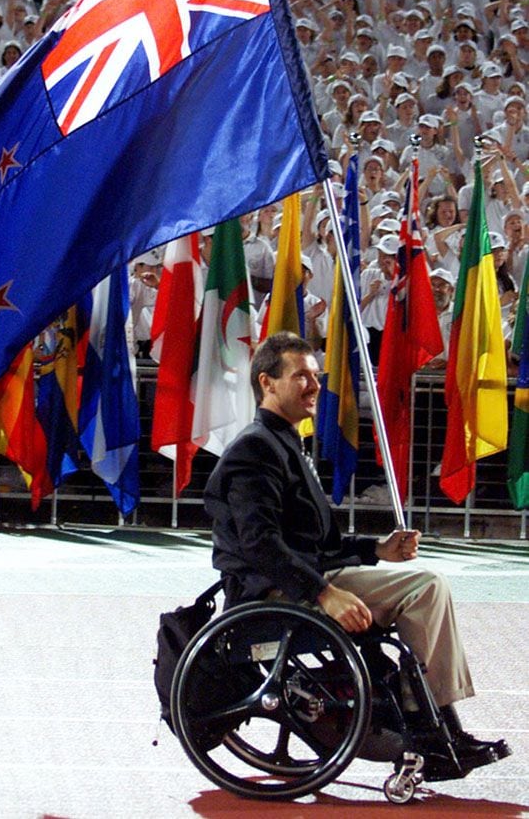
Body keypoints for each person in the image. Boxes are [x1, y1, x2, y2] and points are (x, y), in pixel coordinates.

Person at [203, 332, 510, 780]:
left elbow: (313, 544)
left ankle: (436, 725)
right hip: (274, 595)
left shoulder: (285, 443)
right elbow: (260, 544)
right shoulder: (255, 449)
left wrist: (376, 549)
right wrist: (324, 594)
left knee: (424, 584)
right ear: (267, 383)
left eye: (316, 375)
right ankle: (432, 726)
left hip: (303, 580)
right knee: (426, 589)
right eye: (301, 376)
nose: (313, 385)